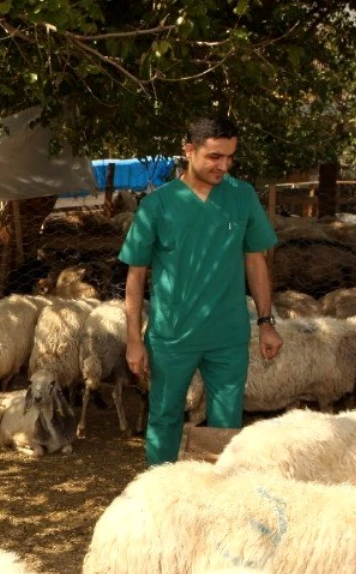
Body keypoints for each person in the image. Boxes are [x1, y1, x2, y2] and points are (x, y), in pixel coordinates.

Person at [119, 116, 283, 466]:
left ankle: (217, 497)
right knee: (164, 417)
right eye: (214, 157)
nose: (223, 166)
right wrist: (134, 338)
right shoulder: (157, 206)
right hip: (172, 335)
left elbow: (256, 262)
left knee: (227, 424)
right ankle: (159, 492)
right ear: (188, 150)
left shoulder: (242, 196)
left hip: (228, 335)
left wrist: (266, 321)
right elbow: (135, 277)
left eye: (230, 157)